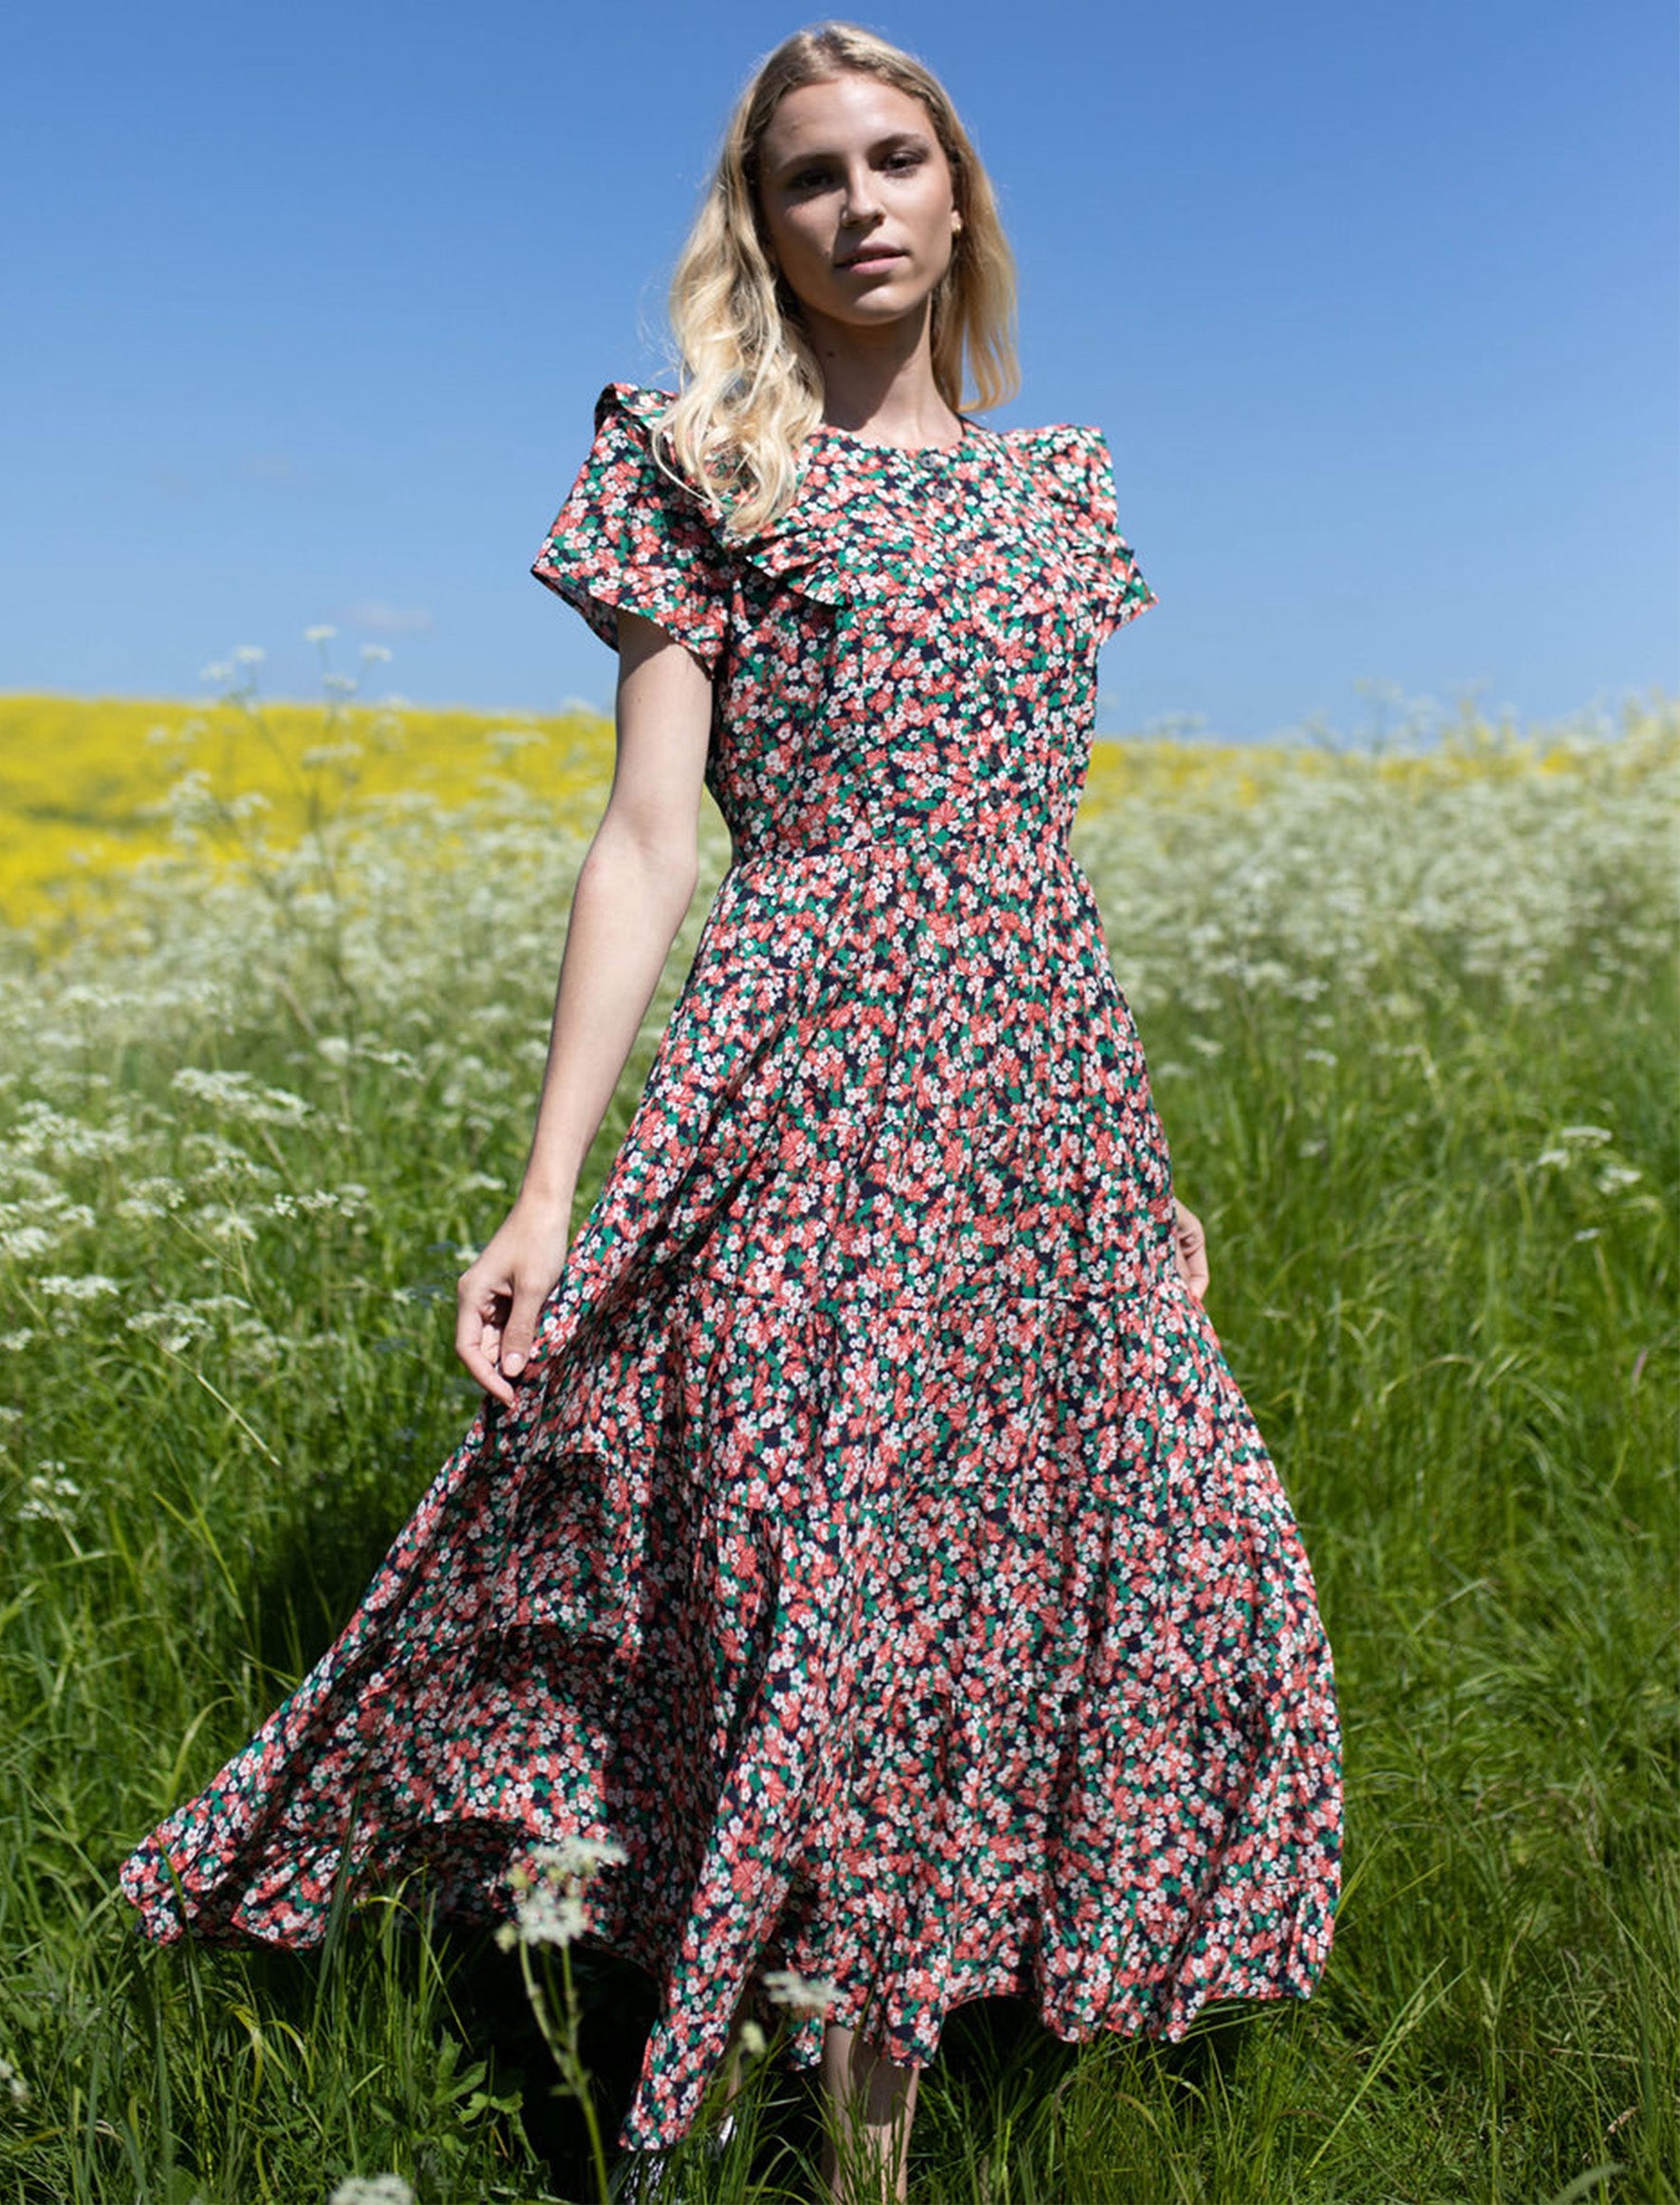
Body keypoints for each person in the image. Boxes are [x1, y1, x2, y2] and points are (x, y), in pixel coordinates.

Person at [120, 20, 1343, 2203]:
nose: (862, 202)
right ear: (761, 227)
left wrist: (1139, 1180)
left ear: (960, 201)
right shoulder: (701, 463)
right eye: (812, 176)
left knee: (1095, 1554)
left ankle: (965, 2008)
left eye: (899, 160)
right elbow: (646, 846)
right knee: (818, 1568)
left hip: (1041, 1080)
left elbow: (1035, 858)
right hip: (795, 1069)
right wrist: (543, 1191)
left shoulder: (1068, 495)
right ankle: (837, 2131)